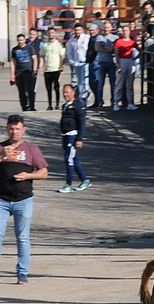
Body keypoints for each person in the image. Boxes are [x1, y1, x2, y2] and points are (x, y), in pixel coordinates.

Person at [0, 115, 49, 285]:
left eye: (17, 129)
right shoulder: (1, 148)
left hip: (23, 199)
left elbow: (44, 172)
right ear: (7, 129)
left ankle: (22, 273)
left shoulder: (31, 149)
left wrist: (28, 175)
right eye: (11, 129)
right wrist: (1, 156)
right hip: (2, 200)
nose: (14, 132)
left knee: (22, 237)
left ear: (23, 130)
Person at [57, 84, 91, 194]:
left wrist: (79, 139)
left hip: (73, 135)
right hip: (65, 135)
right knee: (74, 159)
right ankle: (84, 180)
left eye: (67, 92)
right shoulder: (65, 105)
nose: (65, 94)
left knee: (69, 159)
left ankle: (68, 184)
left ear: (73, 92)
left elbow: (82, 123)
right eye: (64, 92)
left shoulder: (78, 105)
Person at [112, 24, 139, 111]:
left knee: (129, 84)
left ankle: (130, 103)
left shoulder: (132, 42)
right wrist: (119, 64)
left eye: (127, 30)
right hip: (122, 61)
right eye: (124, 30)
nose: (125, 32)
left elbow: (139, 51)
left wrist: (134, 60)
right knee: (119, 84)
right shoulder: (119, 42)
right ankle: (116, 102)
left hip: (130, 61)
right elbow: (116, 53)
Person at [40, 28, 66, 111]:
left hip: (56, 69)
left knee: (56, 87)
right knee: (48, 88)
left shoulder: (59, 44)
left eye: (52, 32)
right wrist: (41, 67)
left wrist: (61, 66)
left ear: (55, 34)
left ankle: (57, 104)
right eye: (49, 33)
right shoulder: (45, 45)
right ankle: (50, 104)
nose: (51, 34)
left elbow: (62, 56)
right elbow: (42, 56)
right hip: (47, 69)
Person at [10, 34, 38, 112]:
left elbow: (34, 59)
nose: (20, 42)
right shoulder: (14, 49)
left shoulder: (29, 48)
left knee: (30, 90)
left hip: (28, 72)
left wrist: (34, 70)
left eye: (21, 40)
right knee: (21, 91)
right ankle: (24, 106)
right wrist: (12, 74)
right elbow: (13, 62)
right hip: (19, 73)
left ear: (25, 40)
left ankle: (32, 106)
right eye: (19, 40)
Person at [94, 21, 118, 109]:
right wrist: (108, 49)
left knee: (113, 83)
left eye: (108, 27)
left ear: (111, 28)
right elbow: (97, 48)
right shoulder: (99, 37)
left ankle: (114, 100)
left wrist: (104, 48)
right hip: (101, 62)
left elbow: (114, 49)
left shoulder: (115, 37)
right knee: (100, 83)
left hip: (112, 63)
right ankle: (100, 101)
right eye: (105, 27)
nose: (106, 29)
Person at [66, 24, 91, 105]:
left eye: (79, 30)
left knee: (85, 82)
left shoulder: (87, 38)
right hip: (77, 63)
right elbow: (69, 52)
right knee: (80, 82)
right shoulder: (71, 40)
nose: (77, 32)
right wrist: (72, 62)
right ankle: (81, 99)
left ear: (82, 30)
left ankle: (84, 99)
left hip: (85, 63)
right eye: (76, 30)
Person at [86, 22, 101, 108]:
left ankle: (98, 100)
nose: (91, 32)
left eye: (93, 30)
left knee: (95, 82)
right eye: (90, 30)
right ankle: (97, 100)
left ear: (97, 30)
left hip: (95, 62)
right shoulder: (91, 38)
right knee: (92, 82)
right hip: (90, 61)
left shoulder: (97, 38)